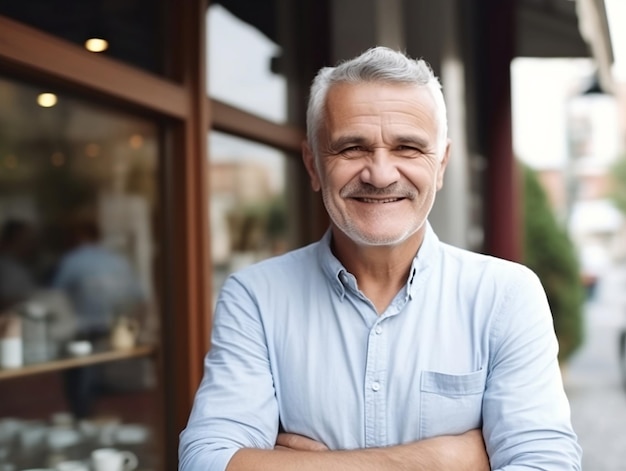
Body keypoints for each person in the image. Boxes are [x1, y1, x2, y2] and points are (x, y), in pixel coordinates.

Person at [179, 47, 582, 470]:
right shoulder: (255, 297)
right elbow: (207, 462)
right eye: (352, 148)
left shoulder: (505, 295)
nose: (381, 174)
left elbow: (546, 463)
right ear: (313, 165)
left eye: (408, 148)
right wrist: (442, 460)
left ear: (441, 164)